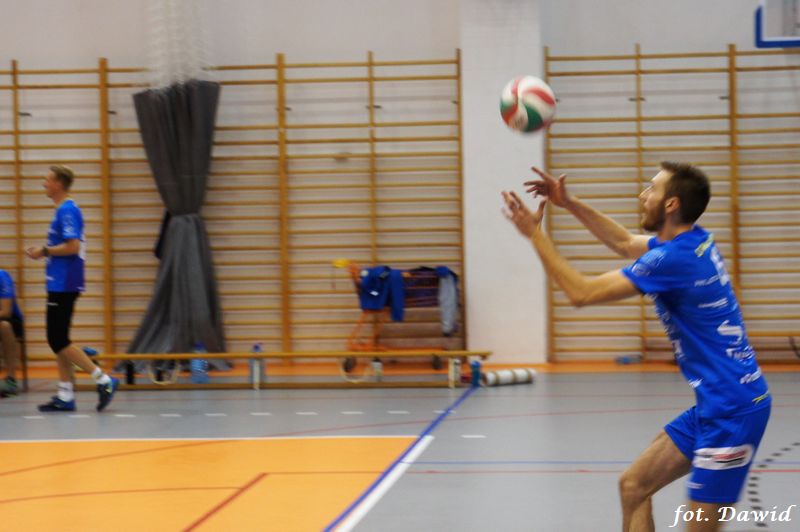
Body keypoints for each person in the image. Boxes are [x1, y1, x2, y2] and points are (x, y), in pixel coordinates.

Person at [502, 162, 770, 532]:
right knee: (634, 487)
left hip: (733, 414)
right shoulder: (693, 240)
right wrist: (569, 203)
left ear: (671, 204)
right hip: (718, 404)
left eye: (652, 189)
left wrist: (535, 234)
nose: (643, 195)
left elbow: (581, 293)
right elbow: (624, 243)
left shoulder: (673, 259)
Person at [25, 165, 119, 412]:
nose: (44, 183)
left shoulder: (67, 210)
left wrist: (44, 250)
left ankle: (103, 380)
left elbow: (73, 246)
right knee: (60, 339)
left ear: (58, 183)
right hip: (59, 282)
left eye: (48, 179)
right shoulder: (63, 209)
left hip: (64, 283)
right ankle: (65, 395)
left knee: (57, 339)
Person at [0, 269, 24, 397]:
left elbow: (6, 312)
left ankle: (11, 379)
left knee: (4, 326)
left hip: (11, 320)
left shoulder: (2, 276)